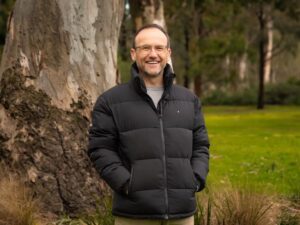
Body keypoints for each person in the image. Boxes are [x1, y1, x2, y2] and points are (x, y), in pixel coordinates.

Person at [88, 24, 210, 225]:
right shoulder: (110, 101)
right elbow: (100, 149)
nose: (152, 54)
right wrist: (127, 184)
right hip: (133, 213)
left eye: (159, 48)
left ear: (168, 53)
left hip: (182, 214)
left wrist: (194, 179)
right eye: (145, 48)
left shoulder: (189, 100)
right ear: (134, 53)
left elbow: (201, 146)